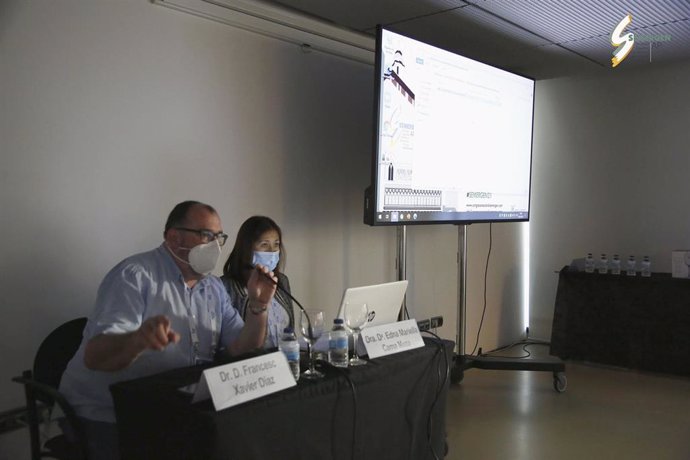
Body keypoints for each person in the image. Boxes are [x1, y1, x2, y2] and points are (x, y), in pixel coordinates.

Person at [59, 201, 276, 460]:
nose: (216, 246)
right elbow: (95, 357)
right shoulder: (134, 276)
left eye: (220, 237)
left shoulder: (213, 288)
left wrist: (258, 306)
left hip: (171, 409)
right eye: (207, 235)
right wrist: (138, 340)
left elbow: (243, 346)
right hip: (105, 414)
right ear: (175, 238)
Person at [222, 216, 294, 349]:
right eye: (264, 245)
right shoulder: (225, 287)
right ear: (246, 248)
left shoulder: (282, 281)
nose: (272, 251)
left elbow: (290, 332)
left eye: (276, 244)